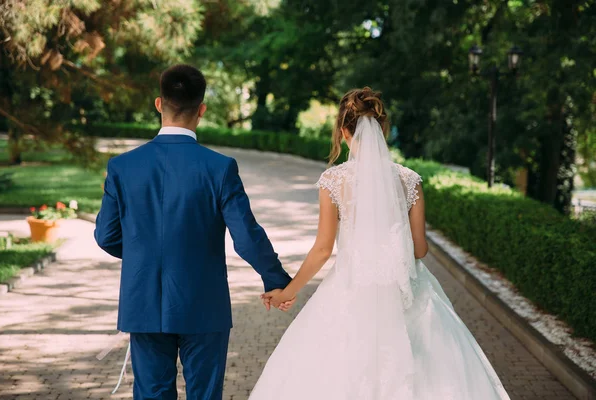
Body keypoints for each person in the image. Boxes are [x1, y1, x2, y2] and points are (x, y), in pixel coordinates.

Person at [252, 87, 511, 400]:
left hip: (351, 289)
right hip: (406, 291)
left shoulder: (334, 181)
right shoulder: (409, 180)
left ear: (343, 131)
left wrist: (287, 292)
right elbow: (420, 250)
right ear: (382, 129)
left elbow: (323, 250)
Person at [94, 64, 293, 400]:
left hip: (142, 301)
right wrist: (277, 280)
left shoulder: (122, 166)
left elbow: (106, 235)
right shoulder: (220, 167)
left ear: (159, 104)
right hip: (204, 301)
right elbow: (246, 237)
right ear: (202, 109)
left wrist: (148, 254)